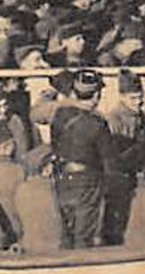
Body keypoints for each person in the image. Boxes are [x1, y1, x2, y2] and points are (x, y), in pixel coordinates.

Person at [49, 70, 120, 248]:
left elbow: (55, 145)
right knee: (85, 234)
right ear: (97, 95)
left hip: (62, 178)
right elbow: (109, 160)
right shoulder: (97, 123)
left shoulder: (60, 115)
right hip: (88, 182)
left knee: (65, 232)